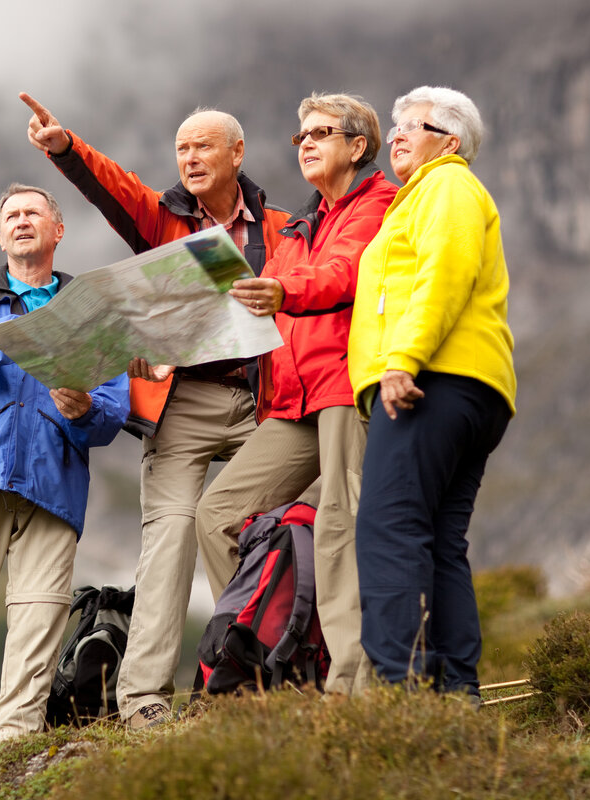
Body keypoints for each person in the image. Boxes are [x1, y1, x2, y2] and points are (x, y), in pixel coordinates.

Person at [20, 91, 288, 729]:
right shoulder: (163, 216)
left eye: (202, 146)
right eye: (182, 149)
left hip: (264, 396)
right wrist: (65, 147)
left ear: (236, 153)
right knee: (167, 535)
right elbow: (113, 188)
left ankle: (254, 675)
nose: (190, 158)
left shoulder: (282, 228)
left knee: (259, 527)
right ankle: (143, 700)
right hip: (186, 401)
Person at [194, 92, 398, 696]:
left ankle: (349, 683)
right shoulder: (303, 223)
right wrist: (168, 351)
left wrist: (280, 289)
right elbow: (249, 313)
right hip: (290, 401)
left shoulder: (378, 204)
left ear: (357, 147)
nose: (305, 142)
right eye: (299, 135)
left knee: (339, 524)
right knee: (219, 515)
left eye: (320, 132)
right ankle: (265, 654)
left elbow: (345, 273)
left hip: (342, 387)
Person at [0, 183, 129, 742]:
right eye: (11, 214)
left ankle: (13, 735)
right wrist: (57, 330)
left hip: (54, 476)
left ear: (58, 231)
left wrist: (84, 409)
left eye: (33, 212)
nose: (21, 220)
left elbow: (112, 413)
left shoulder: (94, 314)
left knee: (39, 615)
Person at [346, 86, 516, 704]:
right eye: (393, 126)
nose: (395, 135)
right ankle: (455, 692)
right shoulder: (431, 194)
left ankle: (406, 694)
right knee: (440, 539)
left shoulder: (446, 186)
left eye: (408, 126)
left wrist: (402, 361)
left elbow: (444, 272)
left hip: (429, 380)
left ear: (448, 140)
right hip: (474, 386)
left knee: (389, 528)